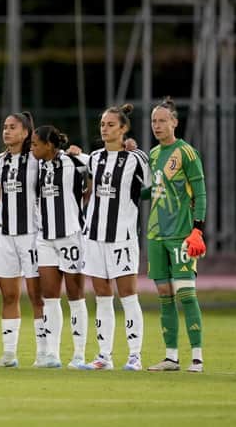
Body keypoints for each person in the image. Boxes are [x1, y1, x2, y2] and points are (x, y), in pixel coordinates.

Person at [81, 104, 150, 371]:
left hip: (122, 237)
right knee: (101, 295)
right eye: (102, 125)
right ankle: (104, 356)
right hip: (94, 236)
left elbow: (152, 186)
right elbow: (79, 164)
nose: (105, 129)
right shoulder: (95, 158)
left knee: (128, 295)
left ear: (123, 129)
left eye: (111, 125)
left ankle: (135, 355)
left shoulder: (136, 158)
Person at [144, 97, 207, 373]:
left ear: (174, 122)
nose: (157, 126)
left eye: (162, 120)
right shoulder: (154, 155)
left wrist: (198, 229)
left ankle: (197, 357)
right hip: (156, 234)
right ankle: (171, 357)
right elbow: (151, 191)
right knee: (164, 294)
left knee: (187, 294)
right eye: (154, 121)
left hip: (181, 234)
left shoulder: (187, 153)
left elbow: (201, 193)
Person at [31, 125, 89, 369]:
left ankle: (78, 355)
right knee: (50, 297)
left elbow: (102, 164)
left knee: (75, 297)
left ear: (50, 145)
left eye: (35, 143)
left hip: (71, 236)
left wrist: (82, 154)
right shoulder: (38, 166)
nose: (32, 147)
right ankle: (52, 354)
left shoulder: (73, 162)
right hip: (45, 238)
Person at [0, 112, 46, 368]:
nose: (7, 131)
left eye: (12, 127)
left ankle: (44, 353)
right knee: (9, 296)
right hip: (4, 236)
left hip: (30, 235)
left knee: (37, 296)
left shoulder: (36, 159)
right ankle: (10, 354)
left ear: (25, 133)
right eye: (5, 127)